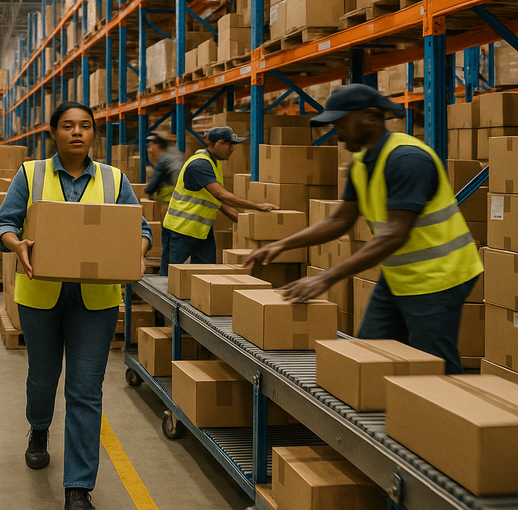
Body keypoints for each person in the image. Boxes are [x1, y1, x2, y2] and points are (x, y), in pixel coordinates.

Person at [244, 84, 483, 374]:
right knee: (370, 353)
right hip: (402, 275)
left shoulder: (407, 159)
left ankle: (452, 415)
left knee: (432, 368)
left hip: (440, 277)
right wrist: (282, 244)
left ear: (370, 117)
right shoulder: (362, 162)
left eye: (341, 122)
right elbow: (339, 220)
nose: (336, 131)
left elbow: (395, 233)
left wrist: (327, 277)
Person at [0, 102, 152, 510]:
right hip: (40, 294)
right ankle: (39, 428)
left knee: (85, 389)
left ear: (94, 134)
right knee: (43, 378)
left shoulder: (114, 179)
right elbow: (4, 224)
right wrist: (18, 244)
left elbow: (142, 228)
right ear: (53, 132)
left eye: (85, 126)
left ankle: (78, 487)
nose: (76, 132)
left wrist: (138, 251)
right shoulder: (31, 174)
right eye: (68, 126)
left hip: (94, 300)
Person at [160, 126, 277, 276]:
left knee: (207, 273)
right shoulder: (199, 165)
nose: (233, 149)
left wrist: (244, 222)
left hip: (201, 230)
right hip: (181, 230)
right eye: (230, 145)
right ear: (219, 143)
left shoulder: (214, 163)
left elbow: (216, 201)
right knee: (170, 278)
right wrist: (259, 206)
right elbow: (222, 195)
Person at [143, 132, 183, 205]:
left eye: (152, 147)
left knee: (153, 197)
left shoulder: (163, 159)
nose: (151, 151)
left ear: (157, 146)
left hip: (171, 197)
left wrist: (146, 191)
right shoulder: (176, 155)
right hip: (182, 195)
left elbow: (154, 182)